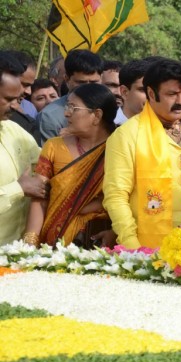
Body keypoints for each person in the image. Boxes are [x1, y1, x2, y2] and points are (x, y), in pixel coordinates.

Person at [103, 58, 181, 249]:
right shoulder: (126, 135)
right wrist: (133, 248)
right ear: (151, 93)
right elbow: (115, 196)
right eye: (172, 94)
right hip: (151, 250)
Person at [23, 84, 117, 247]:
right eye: (67, 107)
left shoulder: (119, 148)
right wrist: (30, 244)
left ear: (96, 115)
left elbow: (129, 197)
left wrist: (115, 232)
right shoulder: (53, 146)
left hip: (103, 244)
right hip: (53, 246)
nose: (66, 113)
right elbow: (39, 196)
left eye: (73, 108)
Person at [0, 52, 46, 245]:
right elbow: (26, 186)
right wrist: (19, 188)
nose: (15, 107)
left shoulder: (14, 130)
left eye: (18, 99)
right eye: (8, 99)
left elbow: (48, 164)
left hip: (16, 256)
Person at [36, 49, 103, 144]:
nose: (88, 88)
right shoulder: (49, 117)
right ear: (67, 79)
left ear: (101, 78)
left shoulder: (111, 109)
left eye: (94, 82)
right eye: (81, 82)